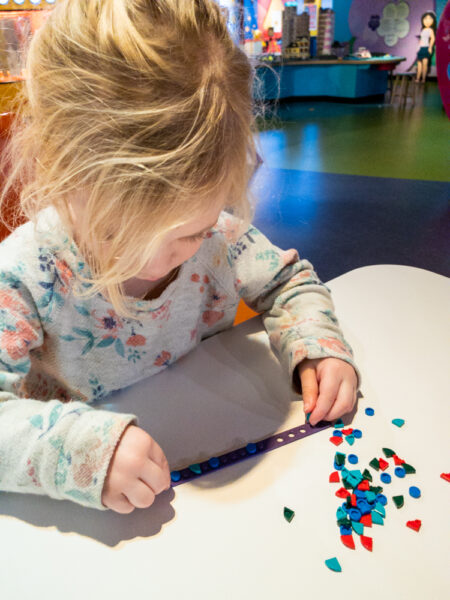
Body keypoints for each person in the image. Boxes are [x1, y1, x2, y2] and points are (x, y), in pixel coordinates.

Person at [0, 0, 359, 515]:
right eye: (114, 231)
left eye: (189, 232)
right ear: (57, 170)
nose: (154, 262)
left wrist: (316, 343)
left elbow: (288, 282)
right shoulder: (21, 278)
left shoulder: (222, 240)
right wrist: (76, 454)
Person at [416, 11, 436, 83]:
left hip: (426, 48)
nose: (427, 21)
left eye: (430, 19)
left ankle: (423, 79)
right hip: (420, 48)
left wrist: (430, 47)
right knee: (419, 64)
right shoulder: (423, 29)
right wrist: (418, 45)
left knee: (425, 64)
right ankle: (418, 78)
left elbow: (433, 38)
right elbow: (421, 39)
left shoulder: (430, 30)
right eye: (425, 19)